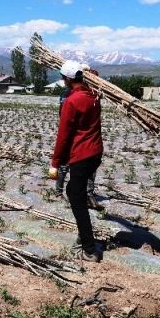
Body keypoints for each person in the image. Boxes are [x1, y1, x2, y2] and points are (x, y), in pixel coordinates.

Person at [49, 60, 104, 262]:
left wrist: (55, 163)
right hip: (95, 152)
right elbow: (95, 78)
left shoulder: (72, 101)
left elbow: (63, 136)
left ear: (67, 79)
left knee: (75, 198)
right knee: (74, 192)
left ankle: (89, 248)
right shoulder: (93, 95)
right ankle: (84, 235)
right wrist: (89, 72)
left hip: (82, 154)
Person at [55, 64, 101, 210]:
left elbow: (94, 78)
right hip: (71, 134)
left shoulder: (90, 94)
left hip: (82, 137)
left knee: (87, 171)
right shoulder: (67, 96)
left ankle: (88, 195)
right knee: (64, 166)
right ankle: (59, 192)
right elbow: (63, 116)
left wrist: (87, 72)